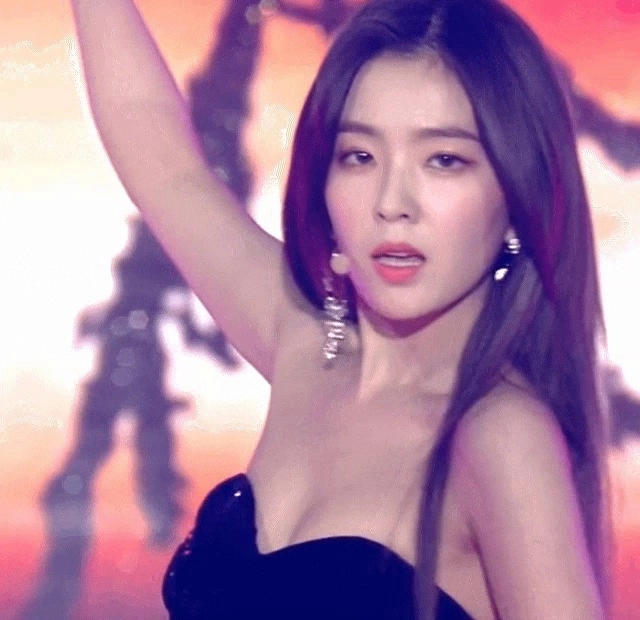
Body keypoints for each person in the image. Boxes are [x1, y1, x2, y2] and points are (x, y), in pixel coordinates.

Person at [70, 0, 614, 618]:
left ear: (518, 196)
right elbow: (164, 161)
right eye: (359, 156)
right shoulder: (306, 341)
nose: (392, 202)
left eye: (444, 160)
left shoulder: (500, 438)